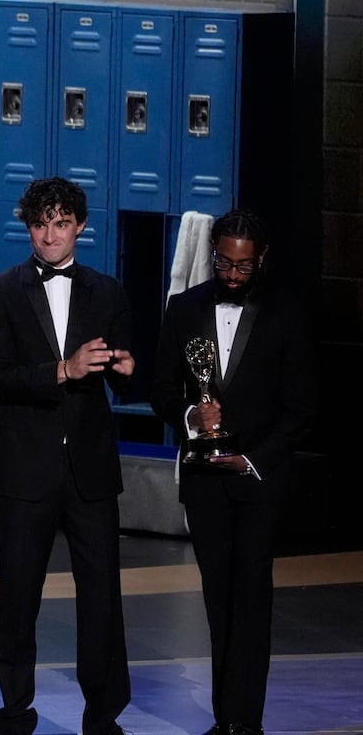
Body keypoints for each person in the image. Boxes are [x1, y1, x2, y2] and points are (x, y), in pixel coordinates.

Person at [0, 176, 134, 735]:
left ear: (80, 227)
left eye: (61, 223)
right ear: (28, 227)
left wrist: (126, 371)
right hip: (23, 468)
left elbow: (129, 380)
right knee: (18, 596)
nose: (49, 235)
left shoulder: (108, 291)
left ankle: (104, 712)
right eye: (40, 224)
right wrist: (62, 370)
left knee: (102, 598)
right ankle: (15, 708)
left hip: (89, 468)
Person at [150, 209, 317, 735]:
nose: (232, 274)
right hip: (204, 482)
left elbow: (303, 408)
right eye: (225, 262)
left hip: (259, 480)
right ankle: (226, 721)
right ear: (214, 253)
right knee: (218, 599)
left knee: (251, 597)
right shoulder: (184, 308)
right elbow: (160, 392)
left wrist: (252, 458)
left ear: (261, 260)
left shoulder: (288, 313)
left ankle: (246, 722)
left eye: (244, 267)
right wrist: (191, 416)